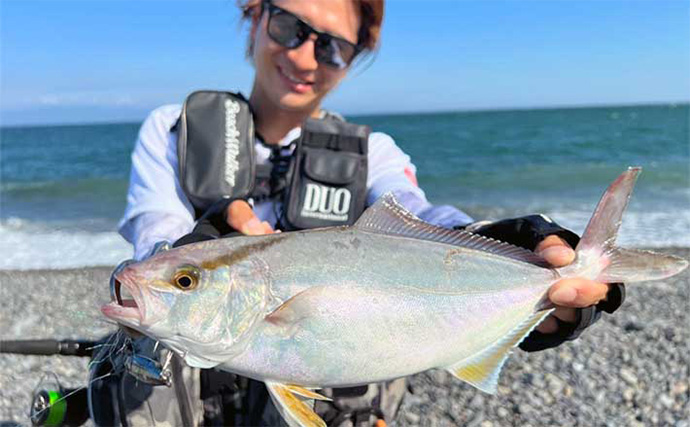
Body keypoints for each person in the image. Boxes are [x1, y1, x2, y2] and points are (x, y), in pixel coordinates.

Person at [110, 0, 625, 425]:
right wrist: (177, 256)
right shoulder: (175, 129)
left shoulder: (374, 153)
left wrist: (518, 242)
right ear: (255, 17)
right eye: (289, 26)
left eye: (333, 47)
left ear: (354, 59)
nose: (306, 58)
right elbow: (156, 229)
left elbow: (424, 220)